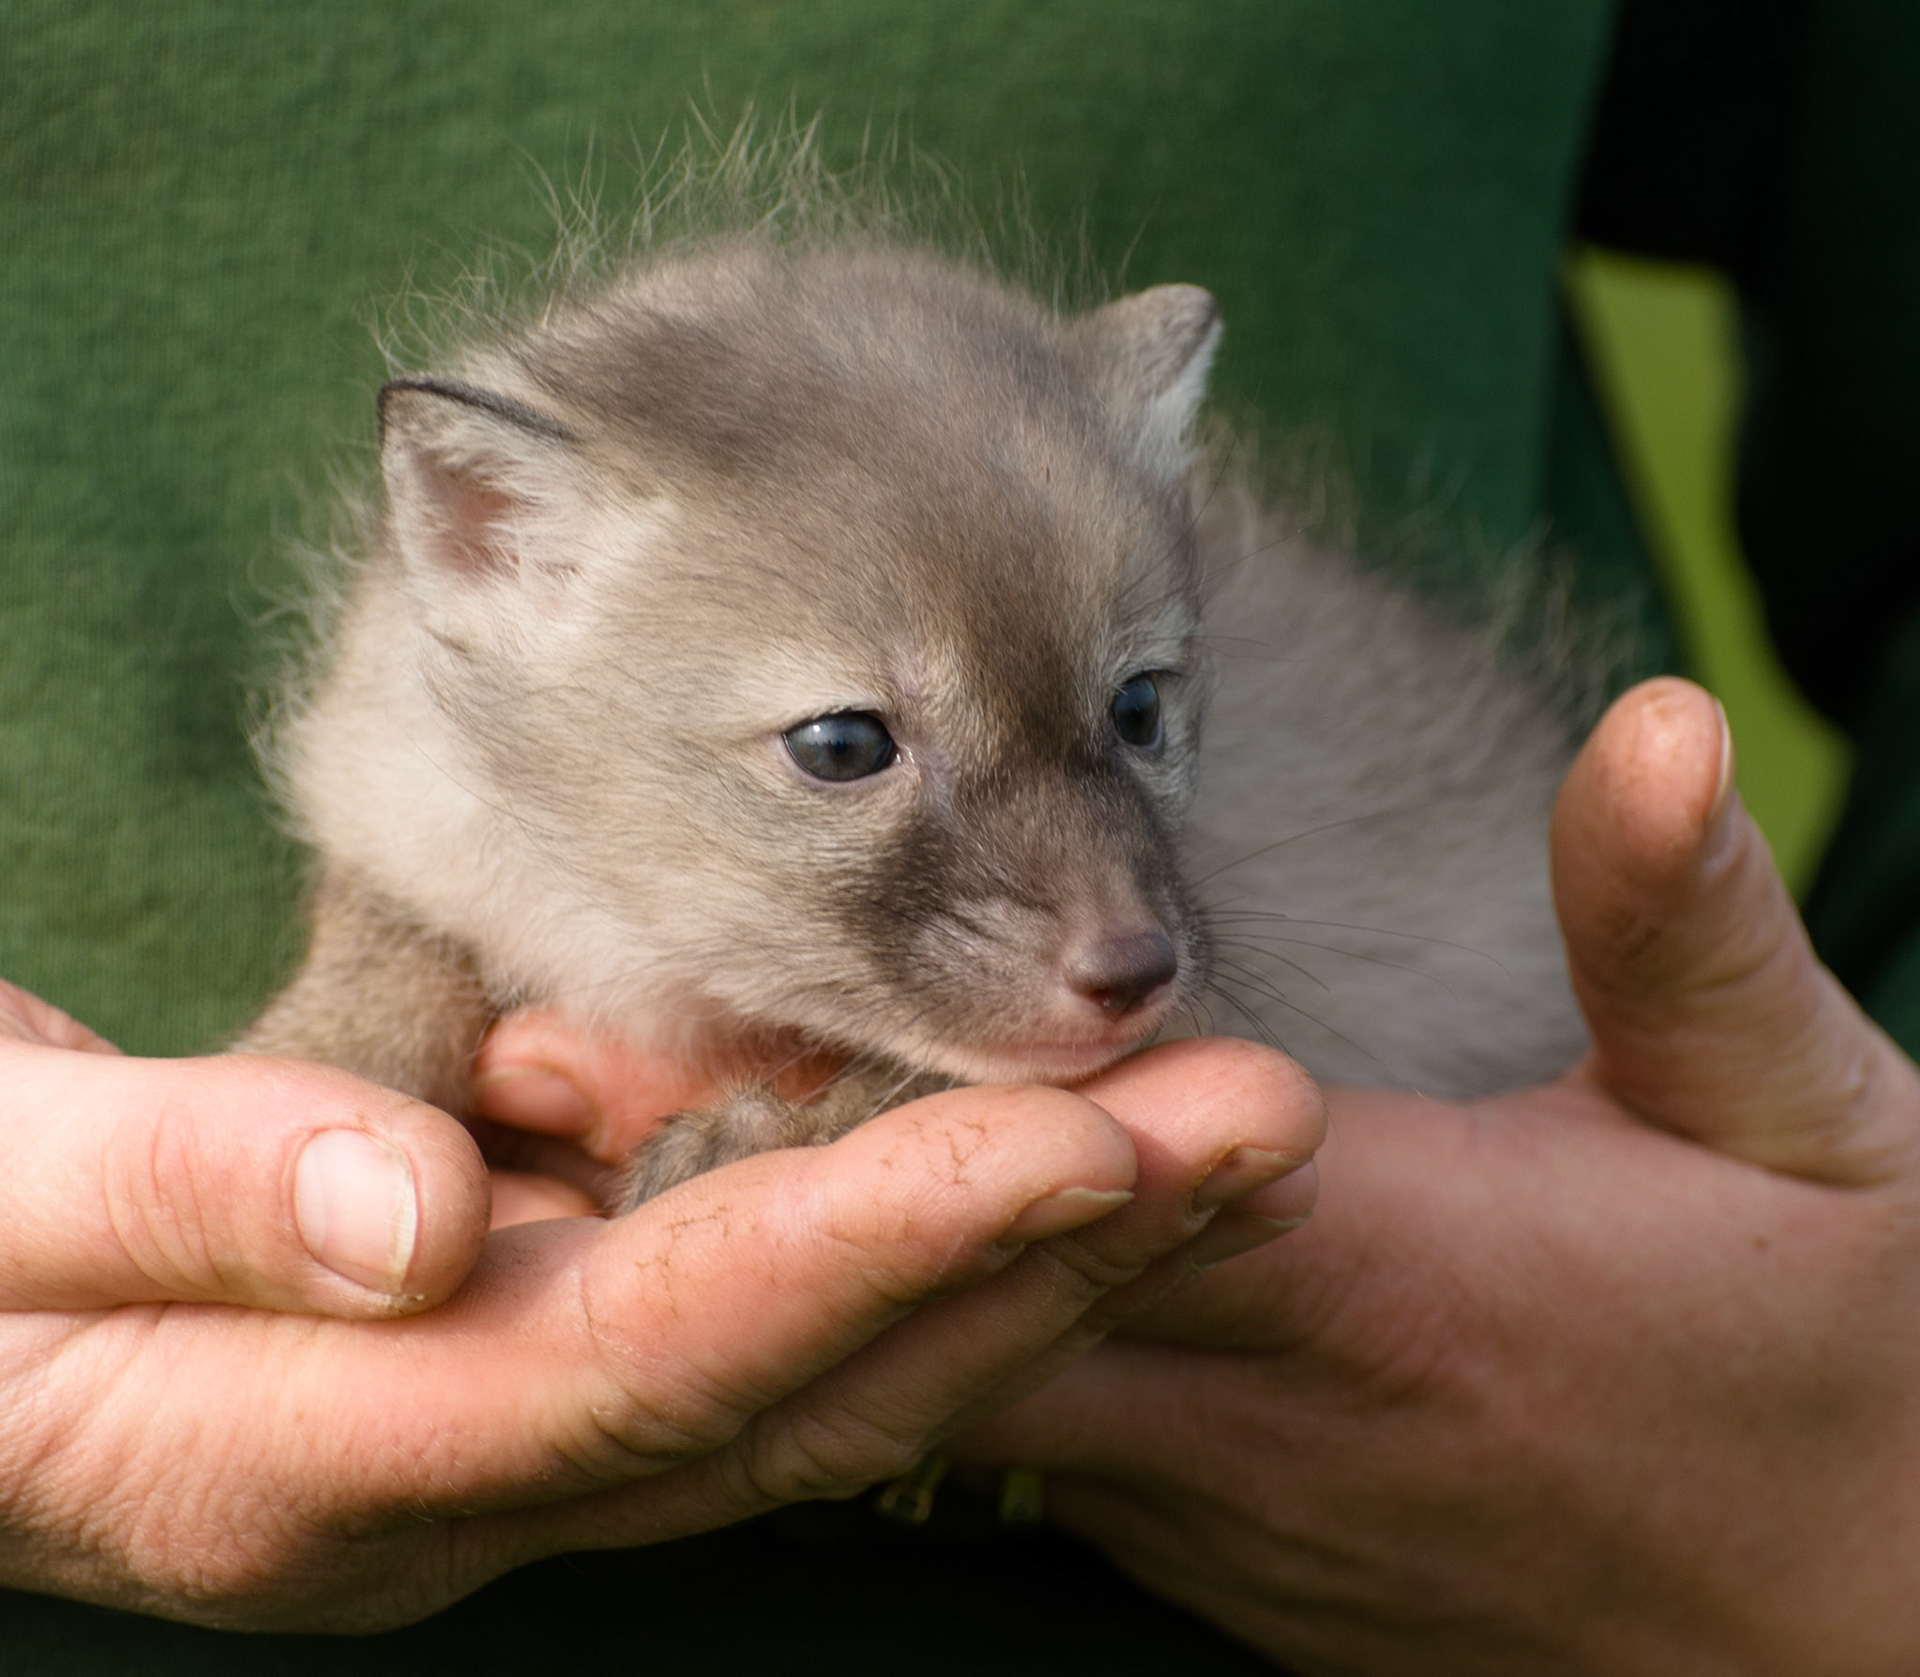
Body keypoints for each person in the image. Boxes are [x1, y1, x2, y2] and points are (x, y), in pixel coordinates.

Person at [5, 1, 1918, 1672]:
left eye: (1143, 718)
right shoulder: (495, 657)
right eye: (849, 746)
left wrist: (1865, 1497)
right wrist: (372, 999)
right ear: (492, 553)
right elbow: (404, 860)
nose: (1123, 937)